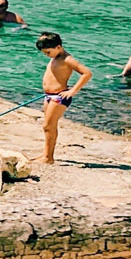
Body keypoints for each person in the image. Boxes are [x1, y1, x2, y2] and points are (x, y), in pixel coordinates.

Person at [36, 31, 92, 165]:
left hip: (59, 97)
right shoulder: (55, 57)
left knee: (48, 126)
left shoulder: (67, 59)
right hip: (49, 96)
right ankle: (46, 154)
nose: (46, 55)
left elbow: (87, 73)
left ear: (58, 47)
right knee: (49, 127)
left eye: (48, 52)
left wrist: (72, 91)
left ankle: (49, 158)